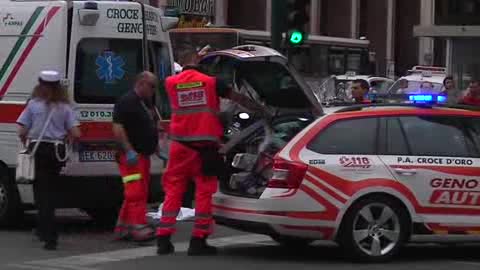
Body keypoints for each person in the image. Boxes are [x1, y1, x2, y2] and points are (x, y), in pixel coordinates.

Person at [156, 49, 269, 256]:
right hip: (204, 149)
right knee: (204, 193)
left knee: (173, 191)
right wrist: (262, 109)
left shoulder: (171, 83)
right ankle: (198, 240)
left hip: (179, 146)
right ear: (199, 63)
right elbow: (237, 98)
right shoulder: (210, 82)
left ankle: (163, 239)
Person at [16, 70, 80, 250]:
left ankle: (47, 232)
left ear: (40, 85)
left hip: (38, 148)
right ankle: (45, 229)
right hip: (57, 151)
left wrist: (26, 143)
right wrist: (66, 140)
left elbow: (21, 130)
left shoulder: (33, 105)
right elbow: (76, 133)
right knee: (51, 191)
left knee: (40, 193)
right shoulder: (66, 108)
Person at [112, 71, 161, 242]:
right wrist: (129, 149)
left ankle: (123, 228)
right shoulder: (127, 102)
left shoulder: (144, 103)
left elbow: (150, 125)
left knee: (137, 192)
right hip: (131, 157)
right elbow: (118, 128)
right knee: (136, 193)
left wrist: (156, 147)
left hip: (142, 156)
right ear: (141, 83)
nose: (154, 91)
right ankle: (138, 228)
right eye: (152, 86)